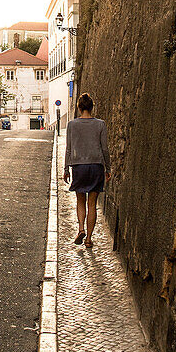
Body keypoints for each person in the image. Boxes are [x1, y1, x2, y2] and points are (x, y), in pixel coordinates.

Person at [63, 93, 111, 248]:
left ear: (79, 107)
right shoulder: (100, 124)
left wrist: (66, 169)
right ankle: (89, 239)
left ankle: (81, 229)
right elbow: (105, 149)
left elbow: (69, 149)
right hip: (96, 166)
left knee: (80, 201)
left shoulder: (72, 125)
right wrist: (108, 168)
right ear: (92, 107)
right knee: (92, 204)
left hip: (79, 166)